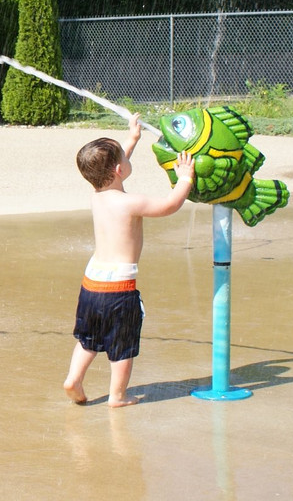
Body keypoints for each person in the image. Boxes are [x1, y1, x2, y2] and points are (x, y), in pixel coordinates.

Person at [63, 113, 195, 407]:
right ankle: (118, 396)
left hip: (91, 284)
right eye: (125, 154)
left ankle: (74, 379)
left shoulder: (97, 195)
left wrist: (132, 139)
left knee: (89, 338)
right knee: (122, 345)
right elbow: (170, 205)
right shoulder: (130, 203)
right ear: (120, 169)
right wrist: (185, 177)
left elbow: (113, 167)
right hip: (119, 289)